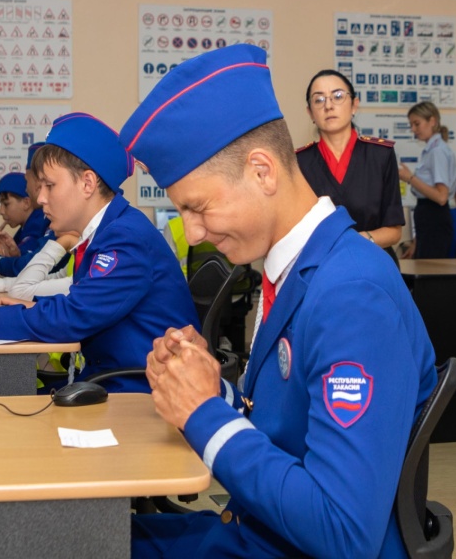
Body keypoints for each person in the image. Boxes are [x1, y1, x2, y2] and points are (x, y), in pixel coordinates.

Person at [120, 44, 437, 557]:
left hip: (295, 543)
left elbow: (344, 532)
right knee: (87, 535)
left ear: (262, 171)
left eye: (197, 207)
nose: (193, 233)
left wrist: (202, 413)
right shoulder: (295, 269)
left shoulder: (351, 295)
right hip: (264, 529)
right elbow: (285, 426)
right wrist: (209, 389)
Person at [0, 112, 199, 392]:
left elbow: (72, 317)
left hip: (138, 392)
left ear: (87, 183)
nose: (40, 198)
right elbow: (82, 302)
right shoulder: (109, 231)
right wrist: (32, 308)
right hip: (111, 380)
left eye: (49, 185)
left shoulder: (124, 239)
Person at [296, 69, 404, 260]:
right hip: (321, 266)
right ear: (310, 112)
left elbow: (394, 231)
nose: (328, 105)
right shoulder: (299, 162)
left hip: (374, 262)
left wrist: (355, 241)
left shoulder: (380, 155)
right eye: (319, 100)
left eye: (338, 96)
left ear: (354, 105)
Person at [0, 142, 61, 276]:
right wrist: (15, 254)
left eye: (27, 181)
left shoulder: (41, 220)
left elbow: (33, 266)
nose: (26, 189)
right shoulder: (43, 219)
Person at [397, 101, 456, 259]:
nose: (413, 129)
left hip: (435, 218)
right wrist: (416, 243)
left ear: (432, 121)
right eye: (411, 125)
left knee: (431, 272)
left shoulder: (437, 152)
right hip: (428, 218)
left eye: (417, 124)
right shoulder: (430, 150)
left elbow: (441, 197)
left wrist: (410, 178)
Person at [0, 171, 48, 261]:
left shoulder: (37, 225)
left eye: (6, 204)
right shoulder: (26, 226)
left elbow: (16, 258)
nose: (1, 211)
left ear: (26, 203)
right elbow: (9, 251)